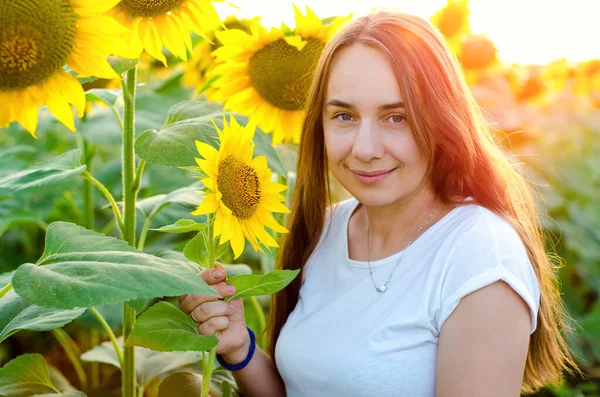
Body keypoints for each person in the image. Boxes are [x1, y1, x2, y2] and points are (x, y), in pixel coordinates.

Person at [178, 10, 581, 397]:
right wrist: (239, 348)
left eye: (396, 118)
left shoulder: (477, 255)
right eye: (344, 116)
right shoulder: (327, 230)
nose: (364, 149)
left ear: (442, 122)